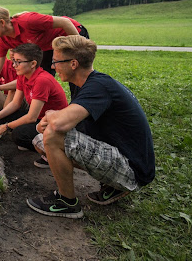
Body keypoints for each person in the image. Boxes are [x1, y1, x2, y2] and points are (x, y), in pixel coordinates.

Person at [26, 36, 155, 219]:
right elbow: (72, 118)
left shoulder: (98, 87)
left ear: (73, 64)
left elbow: (59, 124)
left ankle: (67, 202)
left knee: (52, 135)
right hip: (123, 156)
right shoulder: (85, 82)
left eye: (55, 61)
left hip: (132, 170)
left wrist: (50, 116)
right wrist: (55, 117)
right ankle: (111, 184)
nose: (53, 66)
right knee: (40, 140)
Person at [0, 7, 85, 114]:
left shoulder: (27, 21)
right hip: (46, 47)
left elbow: (65, 22)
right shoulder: (3, 41)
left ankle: (79, 109)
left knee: (74, 73)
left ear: (2, 23)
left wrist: (79, 49)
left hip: (71, 34)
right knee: (41, 78)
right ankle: (43, 113)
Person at [0, 44, 68, 149]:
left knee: (19, 134)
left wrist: (7, 126)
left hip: (51, 122)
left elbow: (31, 117)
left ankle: (49, 149)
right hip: (38, 117)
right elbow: (15, 103)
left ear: (33, 63)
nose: (14, 65)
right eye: (14, 61)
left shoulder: (42, 80)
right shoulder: (22, 76)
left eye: (18, 62)